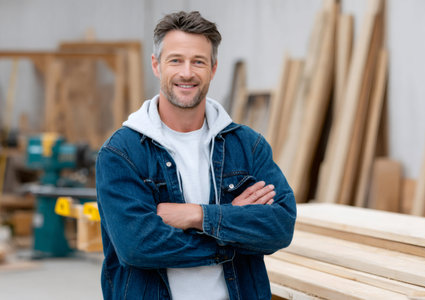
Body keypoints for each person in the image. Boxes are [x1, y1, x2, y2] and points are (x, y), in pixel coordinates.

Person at [96, 11, 296, 300]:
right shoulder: (122, 153)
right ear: (156, 65)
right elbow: (137, 246)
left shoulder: (247, 146)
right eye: (175, 60)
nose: (187, 73)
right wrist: (232, 233)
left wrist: (197, 214)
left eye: (198, 61)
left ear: (213, 68)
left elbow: (280, 226)